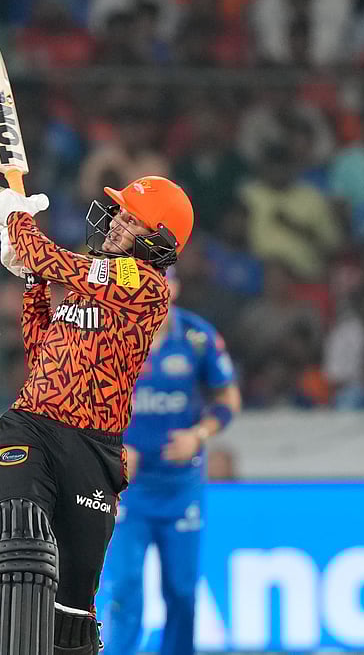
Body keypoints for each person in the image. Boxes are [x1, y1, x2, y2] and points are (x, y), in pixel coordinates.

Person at [0, 176, 194, 655]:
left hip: (93, 451)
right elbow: (43, 352)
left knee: (73, 613)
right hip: (32, 425)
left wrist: (18, 223)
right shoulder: (94, 280)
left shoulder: (145, 284)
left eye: (133, 220)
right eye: (121, 213)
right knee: (19, 543)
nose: (117, 222)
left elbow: (54, 260)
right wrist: (32, 280)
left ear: (159, 240)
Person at [103, 267, 242, 655]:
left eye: (162, 281)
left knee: (181, 591)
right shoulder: (112, 333)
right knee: (124, 588)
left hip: (181, 485)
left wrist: (198, 436)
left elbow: (228, 399)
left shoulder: (197, 337)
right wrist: (112, 447)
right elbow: (84, 401)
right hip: (126, 488)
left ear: (174, 287)